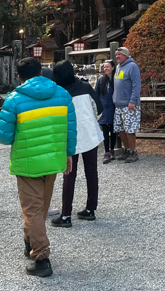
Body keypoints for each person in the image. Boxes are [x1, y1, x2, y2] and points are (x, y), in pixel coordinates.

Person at [0, 58, 76, 278]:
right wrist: (68, 153)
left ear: (19, 76)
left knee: (32, 209)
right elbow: (71, 128)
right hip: (53, 159)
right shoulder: (62, 95)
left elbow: (3, 136)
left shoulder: (14, 99)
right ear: (41, 72)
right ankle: (29, 241)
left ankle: (41, 258)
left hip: (28, 161)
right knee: (41, 206)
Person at [50, 60, 102, 228]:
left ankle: (66, 215)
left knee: (69, 175)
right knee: (91, 172)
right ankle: (91, 209)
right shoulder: (85, 87)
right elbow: (98, 108)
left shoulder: (58, 93)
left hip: (68, 136)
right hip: (89, 134)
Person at [112, 47, 142, 162]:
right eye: (116, 54)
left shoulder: (132, 66)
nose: (117, 56)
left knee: (130, 129)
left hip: (129, 104)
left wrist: (133, 101)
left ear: (126, 55)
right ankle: (127, 149)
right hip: (118, 104)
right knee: (121, 129)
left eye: (120, 54)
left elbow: (136, 85)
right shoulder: (119, 67)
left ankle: (133, 152)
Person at [95, 60, 117, 163]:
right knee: (105, 131)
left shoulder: (116, 79)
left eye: (108, 66)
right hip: (104, 108)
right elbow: (96, 94)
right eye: (104, 67)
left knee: (113, 130)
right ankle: (106, 152)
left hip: (113, 107)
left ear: (113, 67)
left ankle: (112, 150)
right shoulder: (100, 80)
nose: (106, 69)